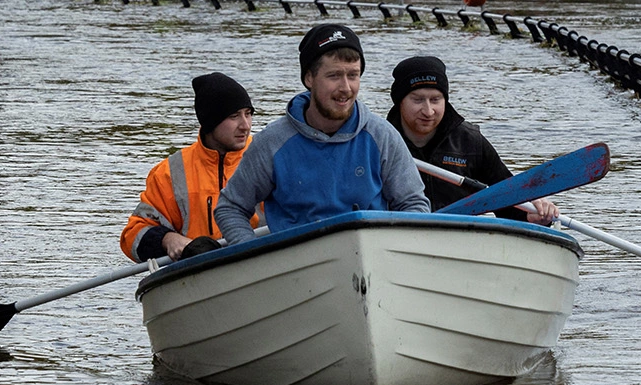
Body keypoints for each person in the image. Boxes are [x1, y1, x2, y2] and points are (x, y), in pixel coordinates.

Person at [215, 25, 430, 244]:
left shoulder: (382, 136)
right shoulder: (272, 142)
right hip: (294, 267)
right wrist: (251, 252)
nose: (346, 87)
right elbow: (230, 207)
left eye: (353, 76)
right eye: (334, 76)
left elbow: (414, 205)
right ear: (309, 78)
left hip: (374, 257)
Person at [385, 56, 559, 224]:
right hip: (399, 231)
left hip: (460, 235)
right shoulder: (380, 141)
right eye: (418, 100)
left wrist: (534, 214)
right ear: (400, 101)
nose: (428, 111)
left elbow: (506, 201)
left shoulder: (470, 141)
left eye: (436, 100)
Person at [121, 73, 257, 262]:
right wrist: (167, 239)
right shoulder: (169, 173)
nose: (245, 125)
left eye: (248, 114)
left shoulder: (268, 157)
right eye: (234, 116)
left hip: (261, 261)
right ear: (210, 122)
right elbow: (132, 236)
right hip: (196, 275)